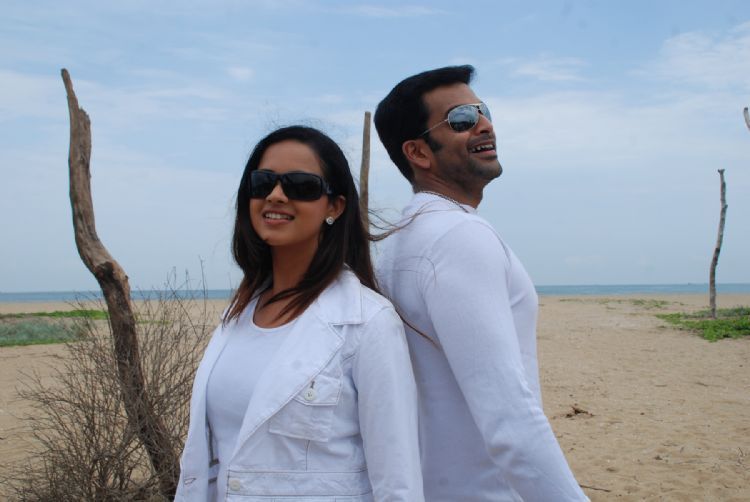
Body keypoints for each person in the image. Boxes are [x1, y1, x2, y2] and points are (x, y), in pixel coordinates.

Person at [374, 66, 589, 501]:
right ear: (418, 152)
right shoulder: (459, 237)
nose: (485, 125)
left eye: (483, 111)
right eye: (461, 119)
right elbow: (510, 419)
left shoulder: (397, 241)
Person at [176, 126, 424, 501]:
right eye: (263, 182)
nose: (276, 195)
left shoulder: (368, 323)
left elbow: (397, 481)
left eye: (301, 186)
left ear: (334, 207)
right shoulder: (237, 316)